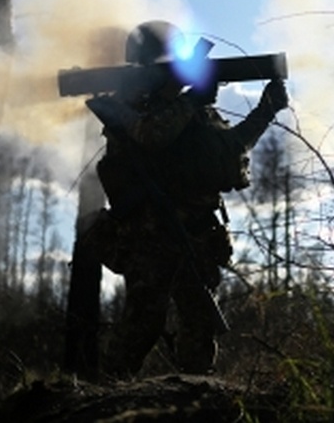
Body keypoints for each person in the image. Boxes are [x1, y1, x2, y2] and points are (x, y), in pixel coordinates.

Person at [85, 20, 290, 378]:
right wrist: (192, 98)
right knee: (142, 325)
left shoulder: (193, 108)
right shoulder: (126, 107)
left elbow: (227, 153)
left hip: (197, 234)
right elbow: (152, 137)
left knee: (198, 325)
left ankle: (193, 400)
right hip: (150, 236)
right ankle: (107, 398)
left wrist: (264, 111)